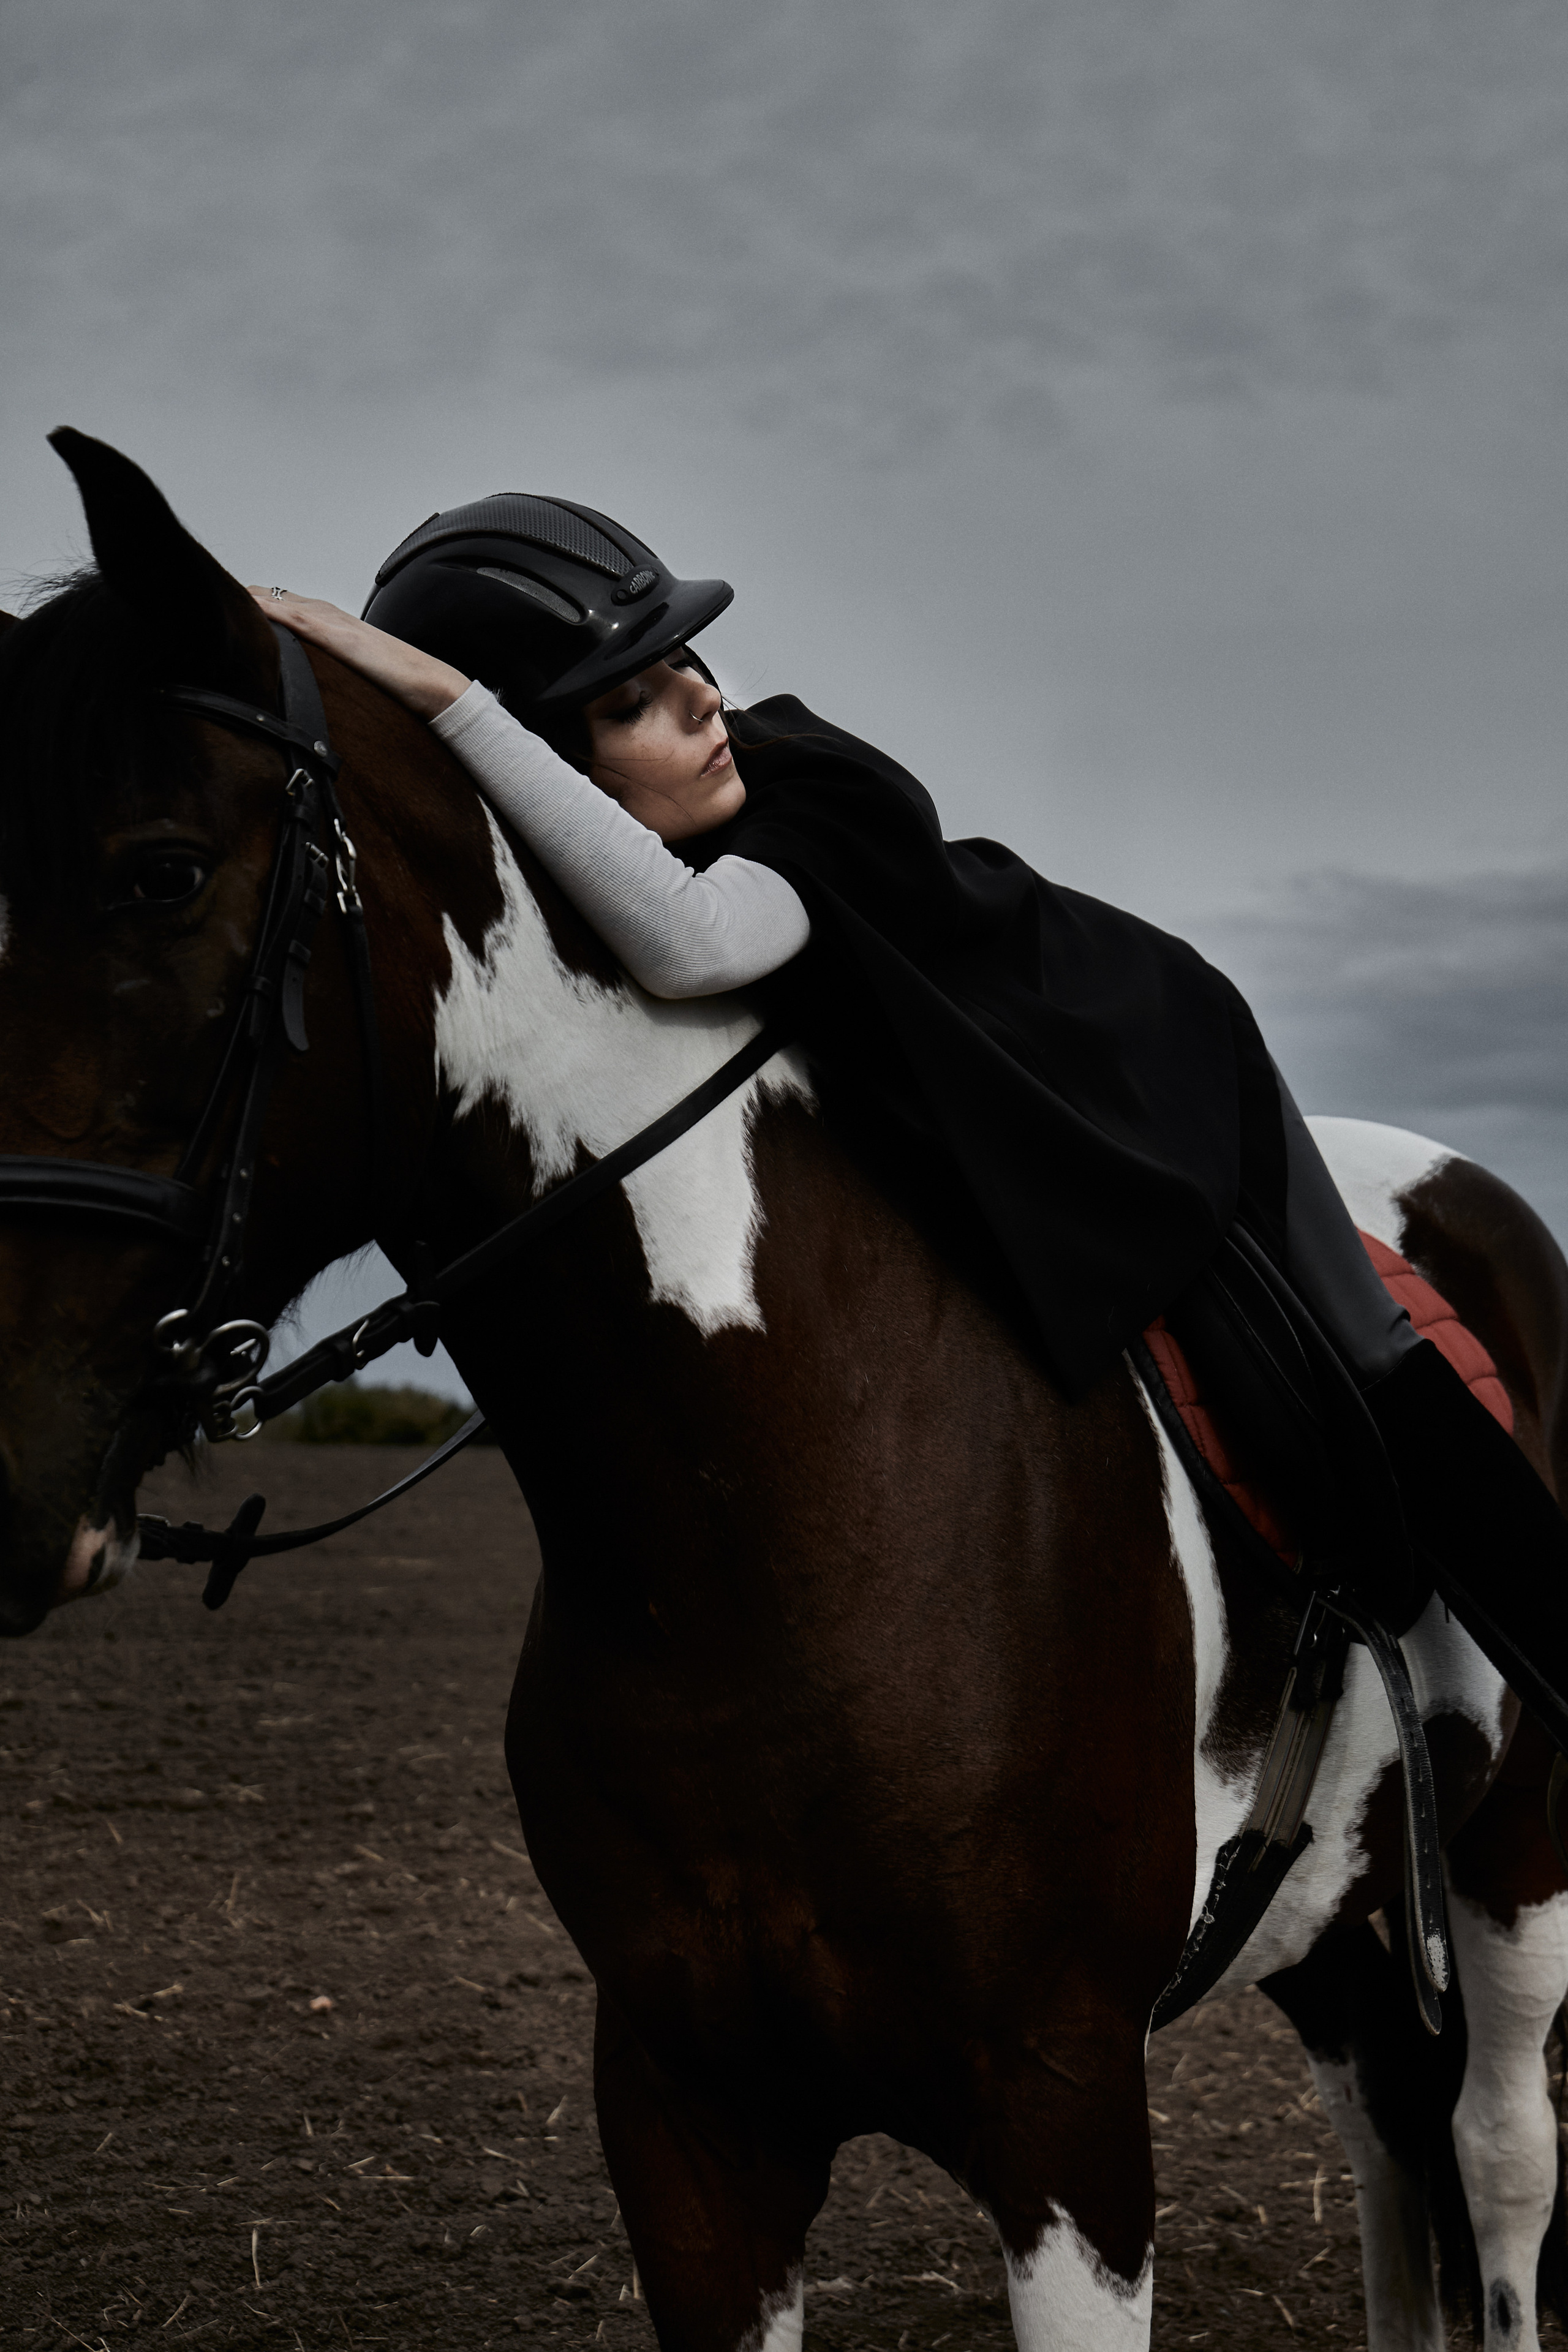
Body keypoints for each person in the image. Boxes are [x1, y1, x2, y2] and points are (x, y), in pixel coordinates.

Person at [249, 491, 1568, 1747]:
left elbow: (696, 945)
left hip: (1148, 1054)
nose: (705, 698)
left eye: (683, 660)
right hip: (972, 1108)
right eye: (631, 700)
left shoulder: (817, 786)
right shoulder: (581, 883)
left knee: (1365, 1344)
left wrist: (446, 699)